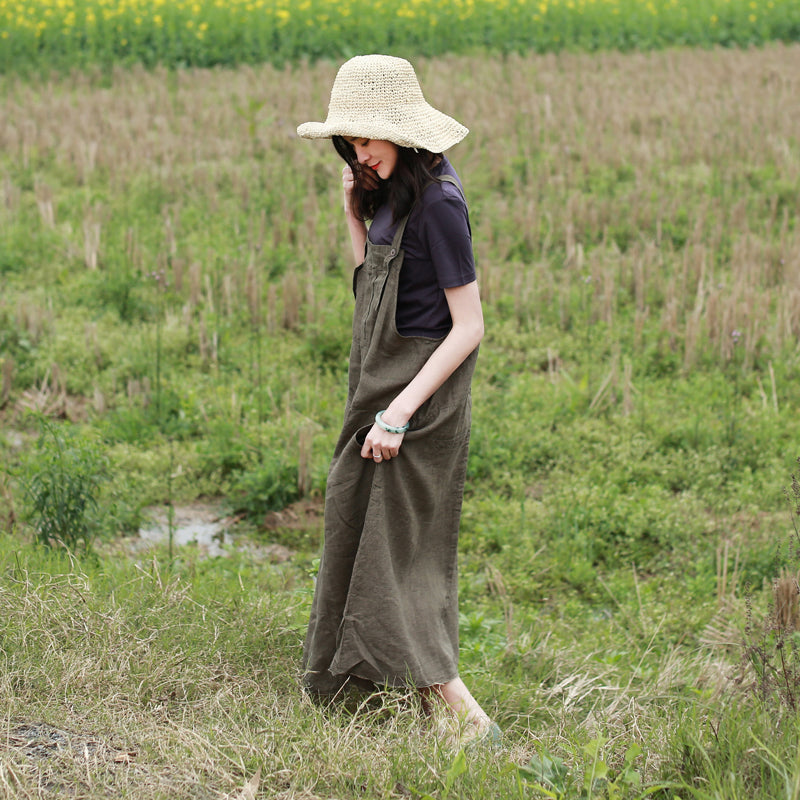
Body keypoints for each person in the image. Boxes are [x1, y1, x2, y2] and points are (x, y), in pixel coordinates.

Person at [297, 54, 498, 743]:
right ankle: (386, 693)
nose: (359, 154)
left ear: (401, 131)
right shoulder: (389, 189)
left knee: (396, 553)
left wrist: (398, 415)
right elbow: (373, 290)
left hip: (416, 400)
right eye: (349, 143)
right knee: (357, 526)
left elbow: (469, 326)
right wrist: (353, 213)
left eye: (367, 140)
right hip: (381, 387)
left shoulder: (440, 203)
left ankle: (467, 720)